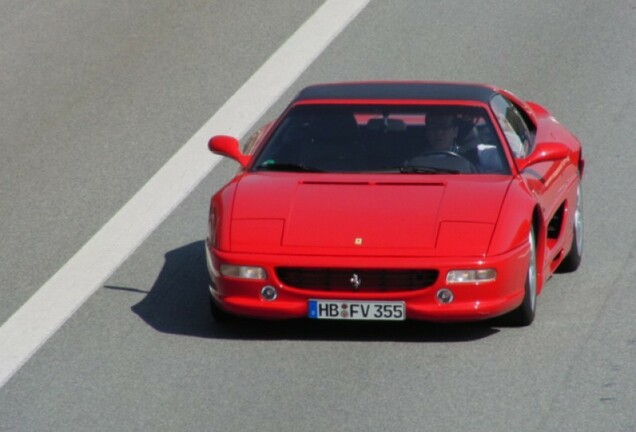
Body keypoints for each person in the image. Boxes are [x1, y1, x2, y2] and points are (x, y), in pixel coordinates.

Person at [409, 113, 504, 173]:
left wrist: (503, 125)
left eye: (444, 127)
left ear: (455, 131)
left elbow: (512, 158)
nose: (438, 132)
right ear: (427, 132)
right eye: (433, 127)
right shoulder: (411, 157)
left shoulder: (475, 153)